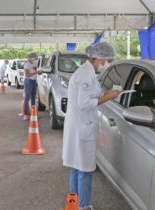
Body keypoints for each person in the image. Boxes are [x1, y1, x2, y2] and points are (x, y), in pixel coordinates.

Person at [62, 42, 121, 210]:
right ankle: (84, 206)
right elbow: (84, 103)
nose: (108, 63)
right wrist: (110, 96)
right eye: (108, 60)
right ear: (100, 58)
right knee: (85, 170)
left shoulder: (87, 72)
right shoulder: (85, 75)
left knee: (76, 166)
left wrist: (105, 93)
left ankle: (73, 202)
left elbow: (89, 95)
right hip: (82, 127)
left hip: (79, 125)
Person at [23, 53, 42, 120]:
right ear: (30, 58)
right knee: (27, 97)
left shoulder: (34, 64)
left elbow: (35, 71)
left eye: (36, 58)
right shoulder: (27, 64)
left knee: (33, 97)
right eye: (35, 58)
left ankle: (33, 113)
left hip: (34, 81)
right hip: (28, 81)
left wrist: (39, 72)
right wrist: (36, 72)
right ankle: (25, 114)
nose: (35, 59)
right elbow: (27, 75)